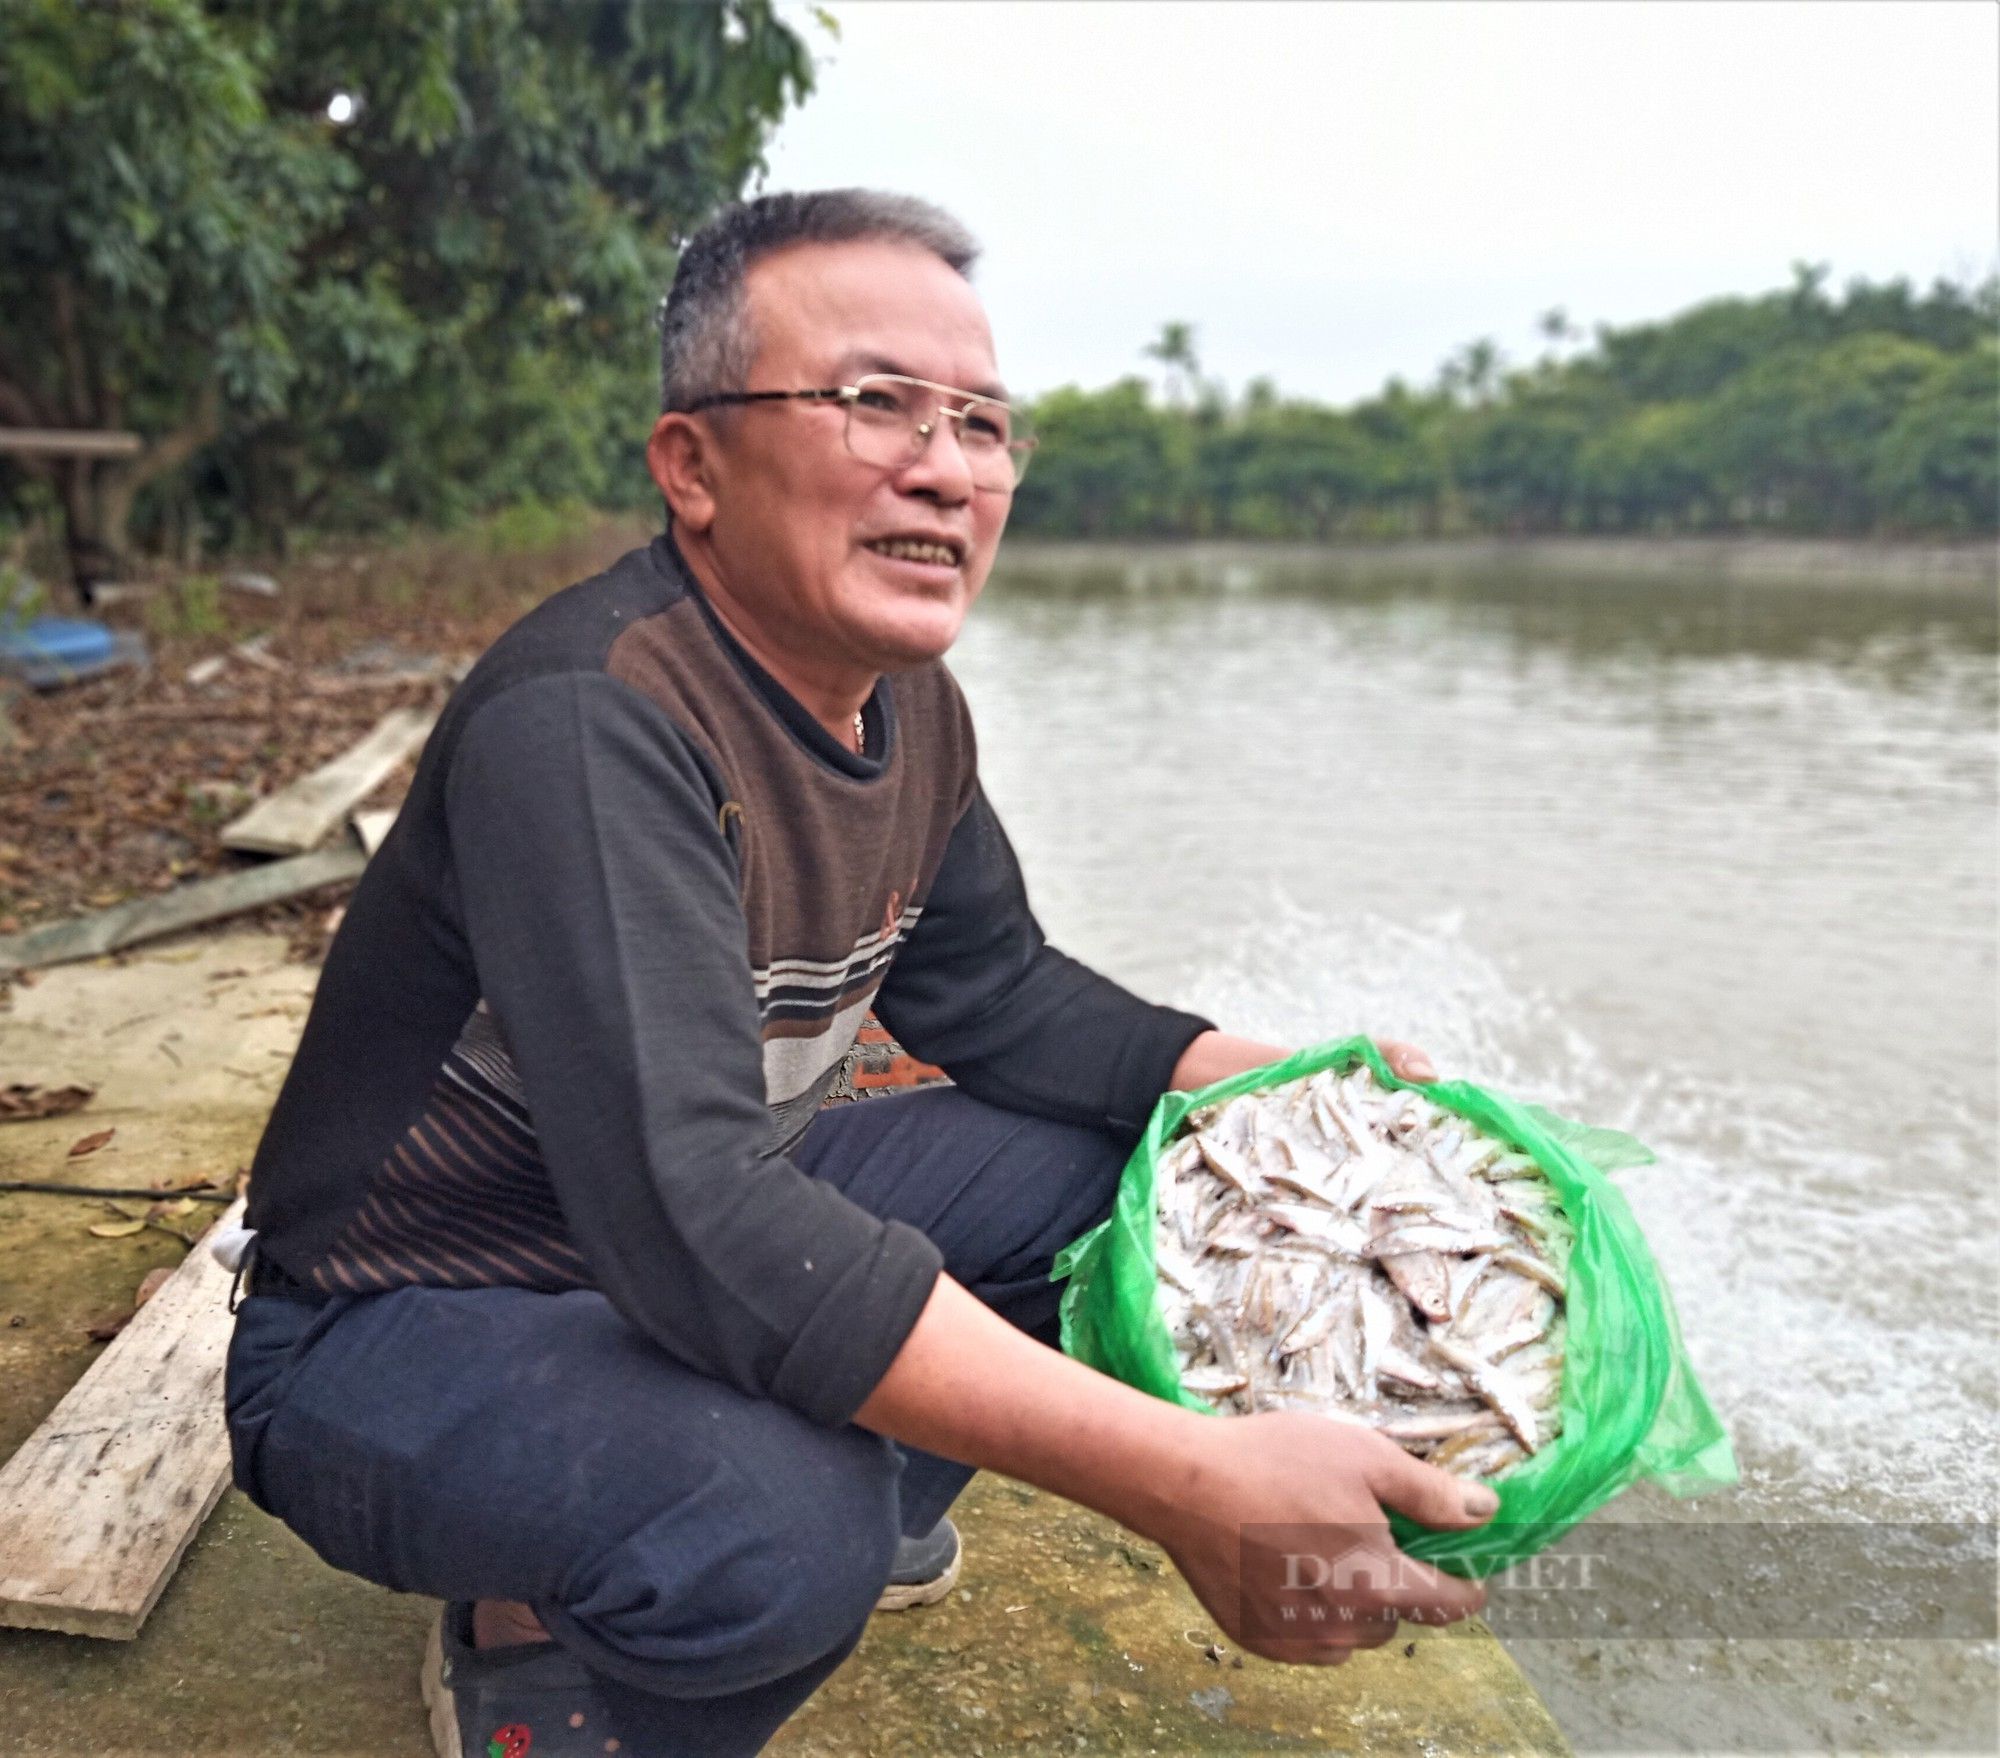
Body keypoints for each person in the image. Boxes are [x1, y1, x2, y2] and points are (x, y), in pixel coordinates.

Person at [225, 189, 1495, 1758]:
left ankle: (811, 1482)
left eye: (982, 423)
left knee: (1125, 1179)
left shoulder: (906, 702)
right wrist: (1183, 1476)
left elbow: (1002, 995)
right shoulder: (594, 718)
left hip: (664, 1229)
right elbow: (697, 1213)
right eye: (875, 403)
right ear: (692, 467)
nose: (945, 467)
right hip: (401, 1316)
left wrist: (1278, 1081)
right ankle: (547, 1624)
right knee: (771, 1526)